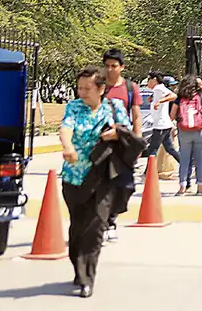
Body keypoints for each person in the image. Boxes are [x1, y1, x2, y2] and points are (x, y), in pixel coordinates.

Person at [59, 65, 131, 298]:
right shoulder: (74, 107)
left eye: (87, 88)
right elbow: (66, 128)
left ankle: (87, 278)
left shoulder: (114, 107)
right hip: (74, 177)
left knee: (96, 225)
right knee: (78, 228)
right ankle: (79, 267)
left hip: (103, 176)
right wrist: (68, 147)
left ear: (101, 89)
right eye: (79, 88)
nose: (82, 92)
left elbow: (127, 130)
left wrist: (116, 133)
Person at [100, 48, 142, 242]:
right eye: (107, 66)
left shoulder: (130, 88)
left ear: (122, 67)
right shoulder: (98, 85)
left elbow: (136, 115)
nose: (110, 70)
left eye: (114, 66)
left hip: (123, 143)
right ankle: (107, 222)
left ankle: (113, 215)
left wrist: (137, 141)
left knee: (125, 185)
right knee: (103, 184)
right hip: (101, 141)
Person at [170, 75, 202, 196]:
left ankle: (182, 187)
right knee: (200, 160)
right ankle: (200, 187)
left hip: (184, 132)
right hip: (201, 131)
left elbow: (172, 115)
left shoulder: (179, 99)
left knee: (184, 160)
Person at [144, 72, 179, 163]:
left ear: (154, 79)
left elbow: (173, 96)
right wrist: (152, 98)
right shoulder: (157, 89)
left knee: (152, 150)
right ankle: (184, 164)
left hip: (160, 125)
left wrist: (160, 101)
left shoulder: (159, 88)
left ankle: (149, 170)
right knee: (169, 149)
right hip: (163, 124)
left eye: (149, 80)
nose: (148, 82)